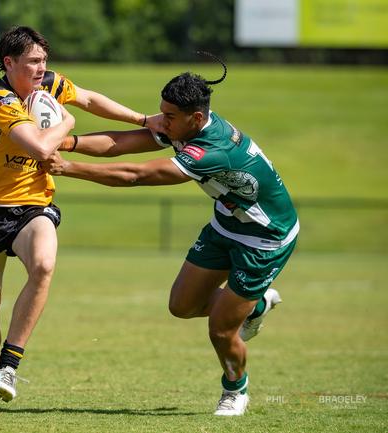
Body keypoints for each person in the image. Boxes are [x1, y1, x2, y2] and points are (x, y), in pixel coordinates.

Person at [44, 60, 299, 416]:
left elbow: (135, 175)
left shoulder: (212, 149)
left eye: (168, 116)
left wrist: (69, 168)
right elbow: (121, 143)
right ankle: (255, 305)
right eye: (161, 113)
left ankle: (235, 390)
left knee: (222, 329)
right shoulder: (186, 127)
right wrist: (68, 143)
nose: (160, 122)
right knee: (182, 306)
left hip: (264, 239)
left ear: (196, 118)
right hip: (227, 224)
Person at [0, 26, 156, 413]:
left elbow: (90, 99)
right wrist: (68, 123)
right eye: (33, 62)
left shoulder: (50, 84)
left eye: (44, 60)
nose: (42, 68)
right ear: (9, 64)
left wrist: (145, 119)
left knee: (43, 265)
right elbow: (43, 145)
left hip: (33, 204)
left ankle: (8, 367)